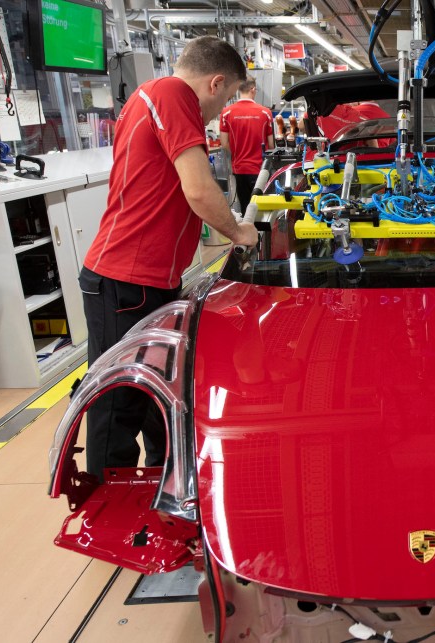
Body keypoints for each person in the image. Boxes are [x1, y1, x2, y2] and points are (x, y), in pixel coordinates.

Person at [78, 36, 256, 480]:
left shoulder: (153, 96)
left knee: (160, 391)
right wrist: (239, 233)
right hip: (125, 278)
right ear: (215, 82)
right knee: (120, 402)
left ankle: (166, 486)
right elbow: (197, 188)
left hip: (146, 279)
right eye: (229, 96)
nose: (221, 111)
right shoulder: (173, 95)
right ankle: (106, 507)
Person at [219, 78, 275, 210]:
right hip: (261, 170)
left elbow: (224, 143)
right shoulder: (265, 113)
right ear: (253, 90)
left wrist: (239, 154)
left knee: (245, 210)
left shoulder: (226, 113)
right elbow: (271, 145)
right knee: (262, 211)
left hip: (239, 170)